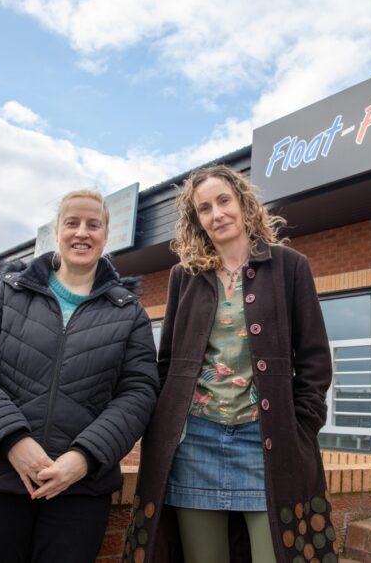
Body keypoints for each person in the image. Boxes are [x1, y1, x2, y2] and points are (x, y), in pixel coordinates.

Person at [125, 166, 338, 563]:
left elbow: (314, 361)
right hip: (195, 440)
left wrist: (300, 428)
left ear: (242, 203)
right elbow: (167, 360)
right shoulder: (183, 276)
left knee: (275, 552)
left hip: (266, 442)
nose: (217, 213)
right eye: (204, 208)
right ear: (196, 220)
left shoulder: (290, 266)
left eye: (223, 201)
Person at [0, 189, 159, 563]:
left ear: (106, 235)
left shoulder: (129, 314)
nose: (82, 232)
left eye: (93, 225)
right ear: (56, 232)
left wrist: (84, 457)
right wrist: (12, 439)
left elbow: (138, 394)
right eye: (72, 223)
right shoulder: (7, 294)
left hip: (78, 492)